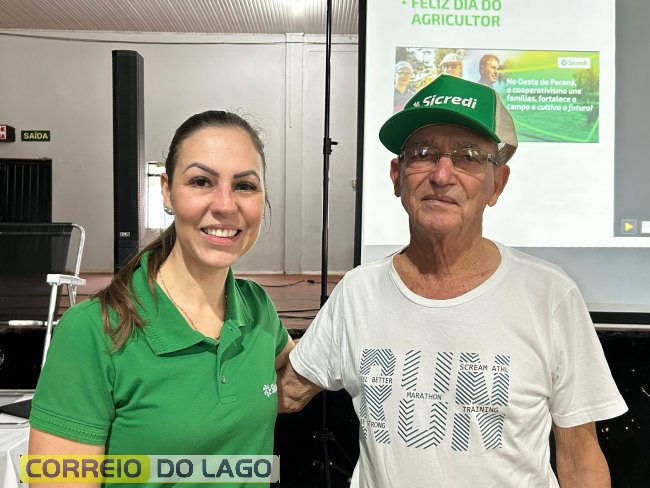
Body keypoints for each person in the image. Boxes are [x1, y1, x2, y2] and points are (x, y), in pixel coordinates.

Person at [279, 75, 627, 487]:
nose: (442, 175)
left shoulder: (549, 295)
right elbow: (286, 393)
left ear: (497, 184)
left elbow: (580, 456)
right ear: (397, 176)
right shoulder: (359, 292)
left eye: (469, 157)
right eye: (423, 154)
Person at [29, 110, 294, 487]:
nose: (225, 205)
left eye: (245, 186)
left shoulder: (256, 307)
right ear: (167, 191)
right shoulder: (91, 332)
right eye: (201, 181)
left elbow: (295, 373)